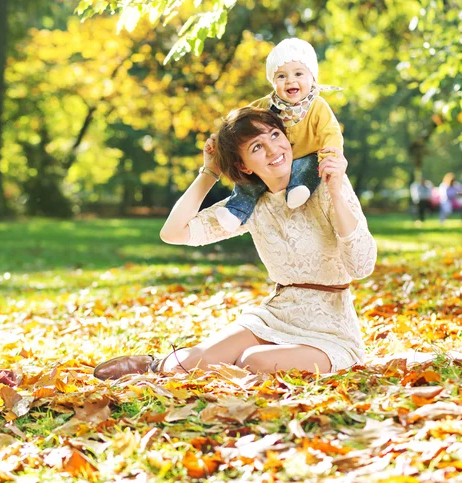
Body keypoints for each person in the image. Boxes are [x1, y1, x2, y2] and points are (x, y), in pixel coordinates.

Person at [93, 107, 377, 380]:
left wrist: (337, 194)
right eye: (256, 147)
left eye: (275, 135)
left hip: (330, 330)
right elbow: (173, 232)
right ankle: (154, 366)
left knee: (254, 360)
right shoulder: (247, 207)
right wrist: (209, 173)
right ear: (243, 165)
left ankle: (238, 362)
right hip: (276, 316)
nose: (272, 150)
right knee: (184, 366)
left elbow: (362, 266)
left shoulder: (328, 184)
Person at [215, 38, 343, 232]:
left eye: (299, 73)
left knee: (310, 166)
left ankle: (298, 189)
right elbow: (239, 124)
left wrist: (330, 157)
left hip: (306, 157)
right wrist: (219, 140)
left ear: (313, 78)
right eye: (281, 76)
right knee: (251, 181)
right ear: (273, 82)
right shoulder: (264, 105)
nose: (290, 80)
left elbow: (331, 133)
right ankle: (235, 212)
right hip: (274, 162)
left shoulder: (317, 106)